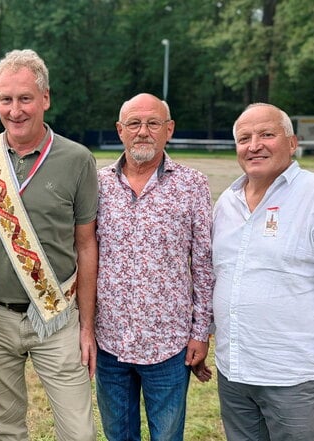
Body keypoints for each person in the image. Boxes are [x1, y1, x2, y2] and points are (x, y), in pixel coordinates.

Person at [212, 103, 314, 440]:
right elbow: (221, 276)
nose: (254, 145)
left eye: (267, 134)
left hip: (293, 377)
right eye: (244, 138)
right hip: (235, 371)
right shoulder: (227, 202)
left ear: (292, 142)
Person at [0, 48, 98, 441]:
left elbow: (87, 245)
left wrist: (86, 326)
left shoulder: (77, 159)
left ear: (45, 99)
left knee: (79, 433)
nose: (15, 109)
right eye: (6, 99)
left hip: (57, 316)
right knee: (7, 432)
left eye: (25, 98)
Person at [94, 93, 215, 441]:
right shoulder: (99, 184)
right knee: (118, 435)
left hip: (170, 343)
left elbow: (204, 264)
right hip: (110, 342)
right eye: (134, 123)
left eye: (152, 123)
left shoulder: (192, 184)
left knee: (167, 436)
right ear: (120, 130)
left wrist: (200, 332)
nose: (142, 132)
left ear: (169, 129)